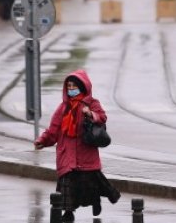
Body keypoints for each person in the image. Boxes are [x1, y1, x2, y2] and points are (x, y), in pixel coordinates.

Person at [33, 70, 120, 222]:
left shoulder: (92, 103)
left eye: (74, 86)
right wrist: (42, 140)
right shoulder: (63, 107)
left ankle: (96, 201)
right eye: (69, 86)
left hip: (86, 152)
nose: (71, 89)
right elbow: (53, 129)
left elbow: (102, 117)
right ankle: (68, 212)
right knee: (67, 183)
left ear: (82, 86)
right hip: (67, 154)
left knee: (90, 182)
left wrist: (90, 114)